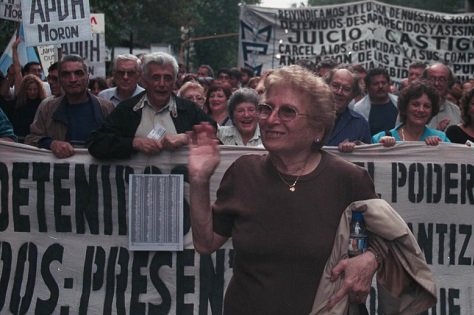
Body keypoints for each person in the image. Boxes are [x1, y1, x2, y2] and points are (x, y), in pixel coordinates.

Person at [187, 65, 410, 314]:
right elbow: (205, 243)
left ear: (317, 129)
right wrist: (198, 180)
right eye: (266, 109)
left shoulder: (349, 179)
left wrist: (370, 259)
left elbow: (390, 240)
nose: (271, 120)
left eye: (288, 112)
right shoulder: (243, 172)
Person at [88, 52, 216, 159]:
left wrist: (186, 137)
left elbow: (213, 133)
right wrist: (134, 143)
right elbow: (97, 143)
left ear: (174, 81)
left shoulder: (189, 109)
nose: (161, 84)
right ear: (145, 80)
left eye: (167, 78)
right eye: (156, 78)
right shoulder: (128, 109)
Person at [25, 55, 114, 158]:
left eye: (78, 73)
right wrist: (50, 143)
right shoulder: (47, 109)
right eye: (66, 74)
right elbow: (31, 139)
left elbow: (119, 141)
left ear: (87, 77)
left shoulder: (107, 108)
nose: (73, 79)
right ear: (60, 80)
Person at [371, 80, 449, 146]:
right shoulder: (379, 138)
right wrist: (380, 148)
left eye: (426, 106)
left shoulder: (441, 138)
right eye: (415, 104)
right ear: (405, 106)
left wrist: (441, 148)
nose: (421, 110)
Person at [323, 68, 371, 147]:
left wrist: (357, 149)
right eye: (335, 86)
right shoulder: (308, 116)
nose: (339, 92)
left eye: (346, 89)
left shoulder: (360, 124)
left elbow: (368, 157)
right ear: (326, 86)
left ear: (353, 94)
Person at [353, 68, 399, 135]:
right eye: (375, 84)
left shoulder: (399, 103)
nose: (380, 86)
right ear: (367, 87)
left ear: (389, 84)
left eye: (383, 83)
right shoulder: (358, 108)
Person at [1, 74, 46, 142]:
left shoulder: (44, 104)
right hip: (19, 138)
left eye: (35, 89)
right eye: (29, 89)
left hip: (35, 139)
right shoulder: (19, 103)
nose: (32, 92)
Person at [422, 63, 462, 131]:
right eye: (432, 79)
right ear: (424, 81)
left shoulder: (455, 110)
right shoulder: (413, 108)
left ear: (449, 82)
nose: (436, 83)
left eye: (442, 79)